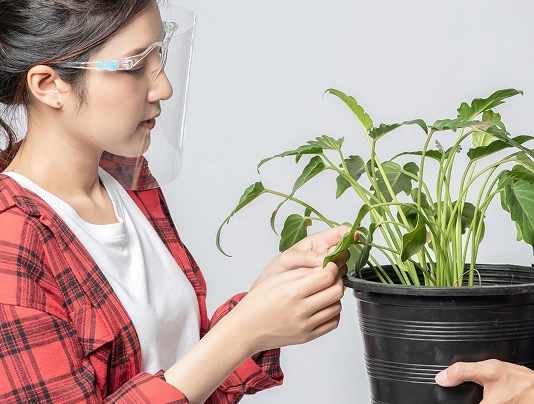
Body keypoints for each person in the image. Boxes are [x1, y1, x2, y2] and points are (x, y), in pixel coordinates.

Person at [0, 1, 350, 403]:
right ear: (48, 85)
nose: (163, 87)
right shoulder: (12, 240)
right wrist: (244, 332)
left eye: (159, 53)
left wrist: (264, 300)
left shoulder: (130, 182)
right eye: (134, 65)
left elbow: (184, 372)